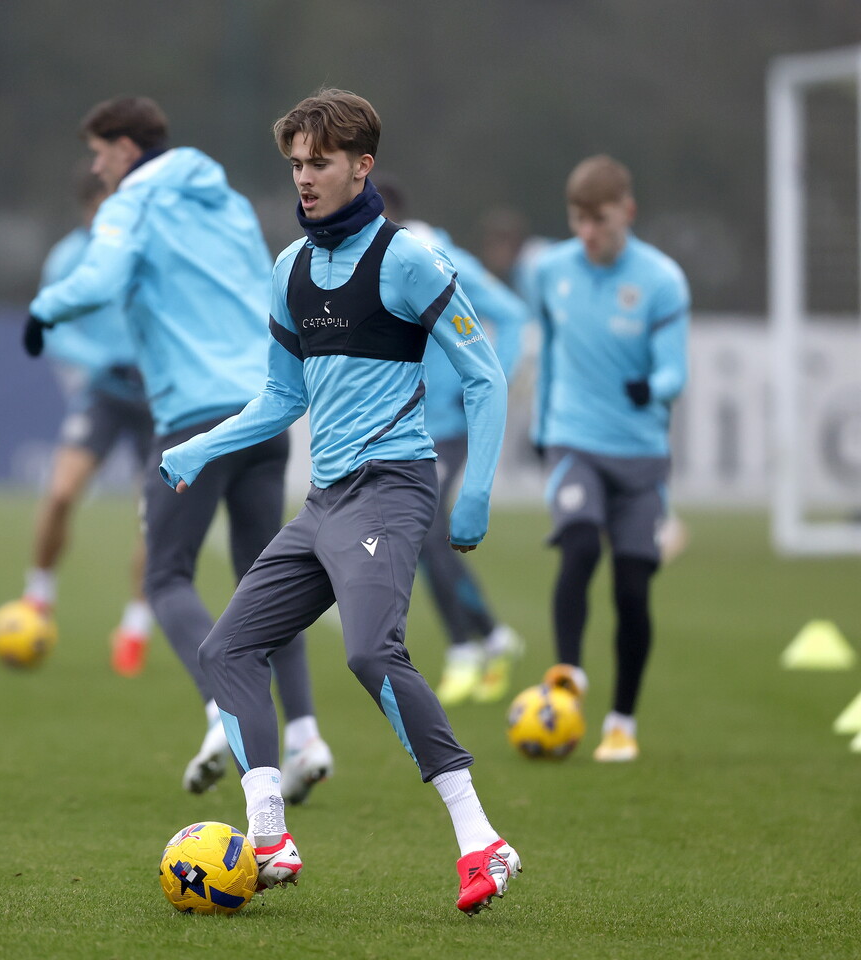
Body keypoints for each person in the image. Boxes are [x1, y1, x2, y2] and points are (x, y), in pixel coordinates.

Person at [160, 89, 521, 915]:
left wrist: (476, 495)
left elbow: (484, 375)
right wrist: (200, 446)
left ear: (362, 165)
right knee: (226, 651)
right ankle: (269, 835)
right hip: (325, 503)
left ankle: (482, 842)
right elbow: (280, 399)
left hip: (391, 491)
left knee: (369, 652)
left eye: (319, 162)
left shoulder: (410, 261)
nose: (305, 177)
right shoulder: (288, 269)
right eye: (295, 163)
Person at [26, 96, 333, 803]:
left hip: (194, 419)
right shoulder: (223, 199)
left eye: (101, 152)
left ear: (128, 150)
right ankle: (306, 736)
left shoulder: (130, 203)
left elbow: (98, 281)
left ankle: (222, 710)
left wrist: (43, 313)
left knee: (166, 577)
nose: (96, 167)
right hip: (263, 409)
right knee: (268, 584)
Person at [528, 154, 690, 762]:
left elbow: (677, 365)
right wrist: (542, 427)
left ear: (628, 211)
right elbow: (547, 354)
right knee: (577, 542)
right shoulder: (551, 271)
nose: (587, 233)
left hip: (642, 456)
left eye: (599, 220)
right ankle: (566, 676)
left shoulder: (661, 280)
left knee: (632, 590)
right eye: (577, 220)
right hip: (575, 440)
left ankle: (621, 719)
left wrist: (657, 385)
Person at [374, 177, 528, 705]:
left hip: (447, 426)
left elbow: (511, 313)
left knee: (424, 533)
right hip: (406, 426)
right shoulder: (368, 262)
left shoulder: (438, 256)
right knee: (417, 536)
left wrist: (484, 382)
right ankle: (492, 636)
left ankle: (465, 647)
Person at [7, 169, 156, 676]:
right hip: (105, 394)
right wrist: (101, 361)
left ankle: (135, 627)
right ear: (89, 208)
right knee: (62, 491)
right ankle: (39, 594)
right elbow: (49, 326)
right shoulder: (71, 257)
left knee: (153, 517)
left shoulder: (148, 253)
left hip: (160, 400)